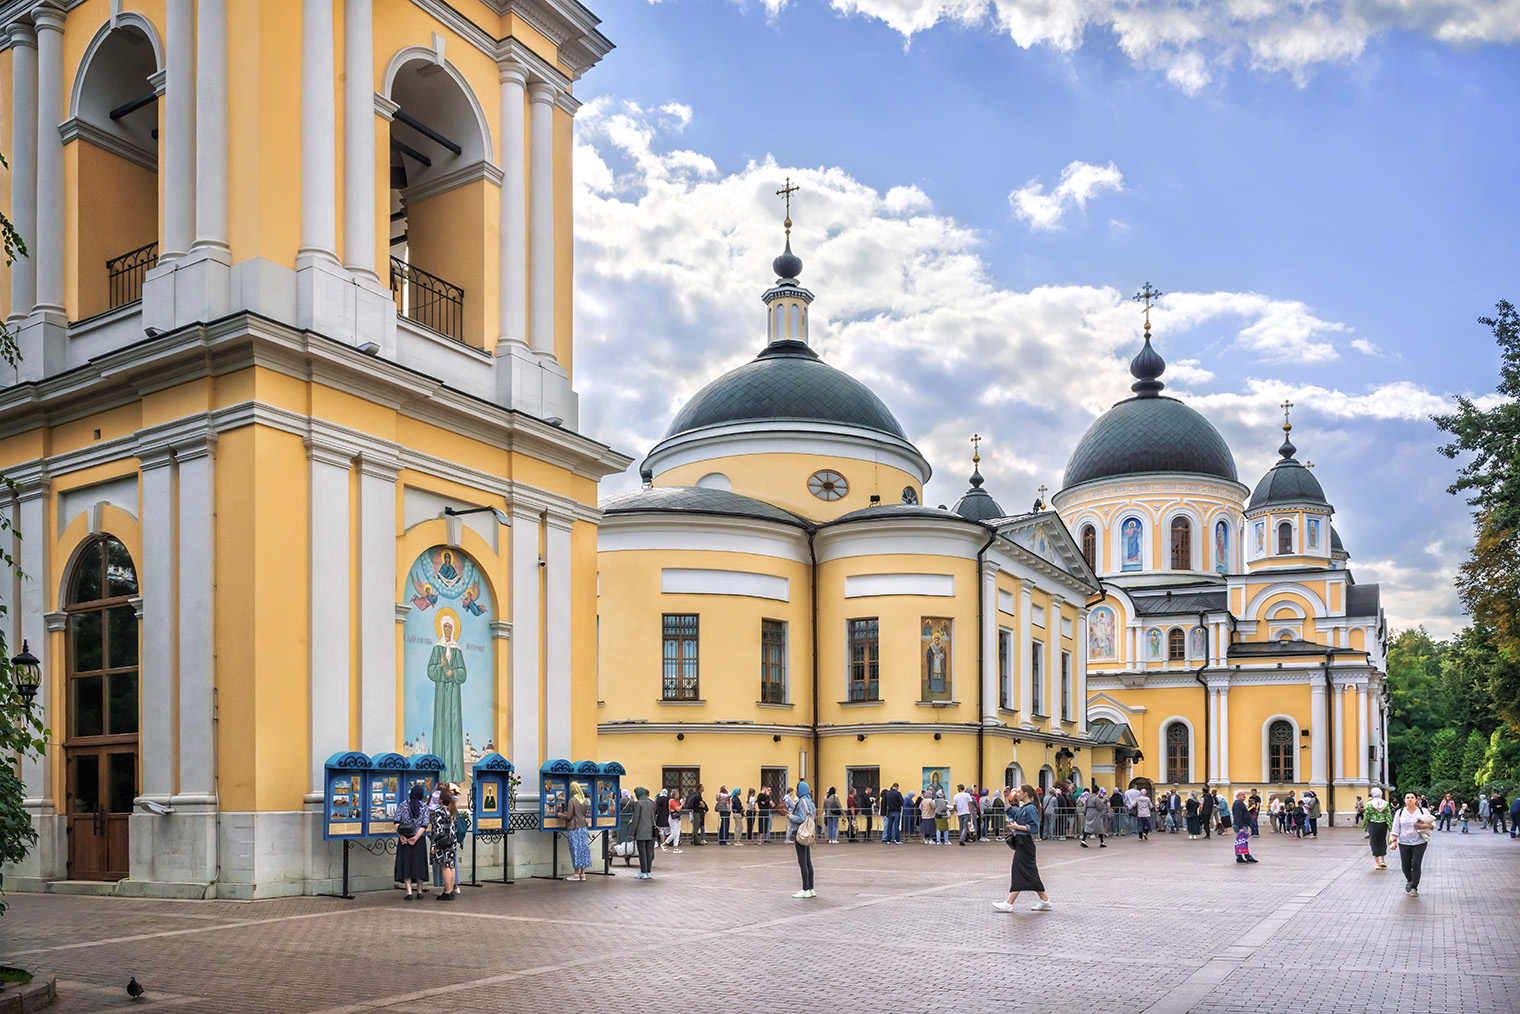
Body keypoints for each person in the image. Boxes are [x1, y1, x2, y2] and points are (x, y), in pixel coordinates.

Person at [993, 785, 1052, 912]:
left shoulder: (1031, 809)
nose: (1017, 794)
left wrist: (1017, 827)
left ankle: (1009, 903)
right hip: (1022, 843)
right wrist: (1005, 796)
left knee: (1019, 870)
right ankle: (1045, 900)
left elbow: (1034, 828)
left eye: (1019, 792)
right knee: (1030, 873)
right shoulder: (1024, 808)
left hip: (1026, 844)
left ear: (1025, 794)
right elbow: (1010, 812)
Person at [1389, 791, 1434, 896]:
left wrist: (1423, 827)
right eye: (1407, 797)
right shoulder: (1399, 812)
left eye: (1412, 797)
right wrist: (1394, 841)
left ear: (1416, 800)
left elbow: (1432, 825)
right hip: (1404, 842)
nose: (1410, 799)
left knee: (1416, 864)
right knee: (1405, 866)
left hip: (1419, 842)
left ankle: (1414, 887)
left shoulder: (1423, 811)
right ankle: (1409, 880)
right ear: (1404, 800)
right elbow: (1395, 827)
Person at [394, 782, 430, 899]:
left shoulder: (403, 805)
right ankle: (419, 892)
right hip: (418, 840)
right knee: (419, 864)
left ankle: (409, 892)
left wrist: (402, 836)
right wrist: (416, 838)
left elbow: (396, 822)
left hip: (405, 839)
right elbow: (424, 825)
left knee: (406, 864)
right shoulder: (424, 807)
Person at [430, 782, 461, 900]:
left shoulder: (439, 811)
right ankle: (451, 890)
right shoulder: (452, 811)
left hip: (442, 842)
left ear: (441, 800)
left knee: (445, 866)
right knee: (451, 866)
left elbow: (437, 829)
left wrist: (434, 843)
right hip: (452, 840)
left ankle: (447, 892)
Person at [559, 780, 593, 882]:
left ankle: (576, 874)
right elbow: (580, 814)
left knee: (575, 851)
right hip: (583, 828)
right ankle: (583, 874)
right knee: (583, 851)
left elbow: (569, 816)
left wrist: (561, 815)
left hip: (574, 828)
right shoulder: (584, 801)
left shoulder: (572, 801)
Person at [789, 781, 817, 898]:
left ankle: (805, 888)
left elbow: (801, 818)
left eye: (797, 789)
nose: (796, 791)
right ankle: (811, 888)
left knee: (802, 861)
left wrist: (790, 816)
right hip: (808, 833)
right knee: (808, 861)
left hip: (801, 833)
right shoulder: (810, 801)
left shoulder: (801, 802)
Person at [629, 786, 658, 878]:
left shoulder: (638, 804)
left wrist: (633, 832)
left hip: (641, 832)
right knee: (649, 852)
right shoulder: (651, 803)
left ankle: (643, 871)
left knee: (642, 853)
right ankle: (648, 871)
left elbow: (636, 819)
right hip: (651, 830)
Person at [1363, 787, 1392, 868]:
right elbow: (1388, 816)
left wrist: (1365, 826)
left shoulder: (1369, 804)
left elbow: (1366, 816)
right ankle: (1383, 860)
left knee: (1374, 842)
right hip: (1383, 825)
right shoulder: (1385, 804)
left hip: (1373, 824)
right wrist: (1390, 827)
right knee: (1382, 840)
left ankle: (1377, 863)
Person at [1231, 790, 1257, 864]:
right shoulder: (1238, 804)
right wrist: (1240, 827)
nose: (1244, 796)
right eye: (1242, 794)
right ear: (1237, 796)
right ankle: (1240, 857)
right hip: (1241, 825)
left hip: (1243, 824)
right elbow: (1237, 816)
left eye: (1244, 794)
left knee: (1243, 842)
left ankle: (1246, 856)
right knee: (1241, 842)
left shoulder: (1240, 803)